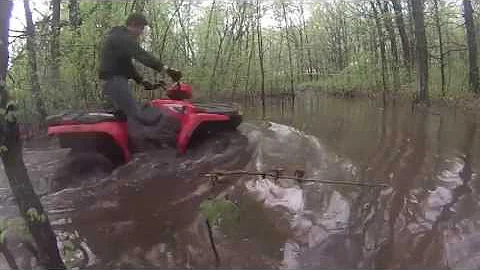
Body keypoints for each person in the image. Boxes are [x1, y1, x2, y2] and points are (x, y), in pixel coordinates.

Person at [98, 13, 182, 150]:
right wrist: (166, 69)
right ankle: (146, 150)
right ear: (133, 25)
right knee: (136, 115)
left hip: (114, 81)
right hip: (115, 82)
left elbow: (126, 66)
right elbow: (141, 55)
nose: (141, 33)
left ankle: (129, 148)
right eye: (141, 28)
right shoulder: (121, 37)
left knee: (124, 116)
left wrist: (142, 81)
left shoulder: (118, 39)